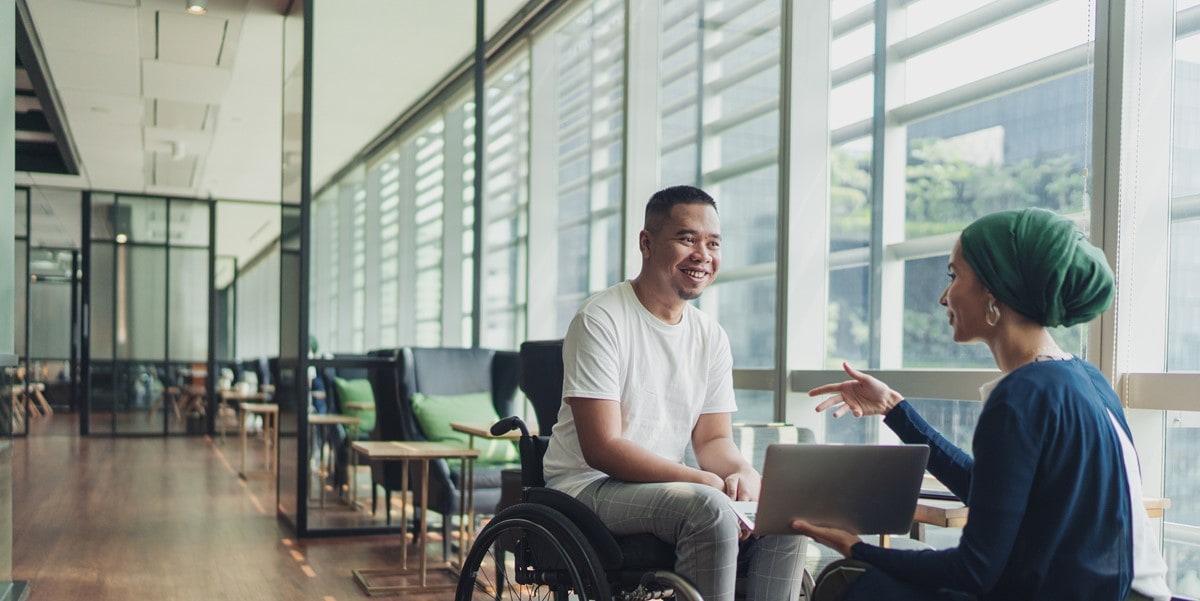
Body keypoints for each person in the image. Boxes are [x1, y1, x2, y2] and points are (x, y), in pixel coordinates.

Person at [794, 208, 1172, 601]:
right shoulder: (1084, 379)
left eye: (953, 275)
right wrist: (894, 409)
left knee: (855, 582)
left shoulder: (1022, 394)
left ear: (994, 292)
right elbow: (992, 494)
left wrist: (855, 547)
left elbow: (973, 571)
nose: (943, 297)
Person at [542, 185, 806, 601]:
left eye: (713, 243)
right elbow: (603, 447)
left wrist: (744, 475)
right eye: (687, 239)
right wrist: (700, 480)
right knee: (708, 507)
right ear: (646, 243)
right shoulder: (601, 319)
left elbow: (714, 440)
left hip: (661, 486)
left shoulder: (710, 336)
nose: (703, 254)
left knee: (784, 513)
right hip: (586, 486)